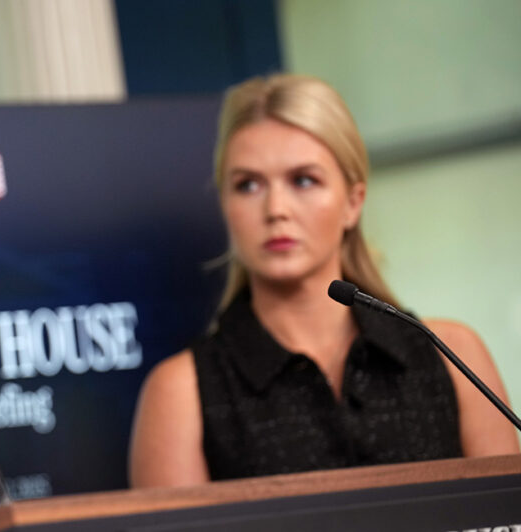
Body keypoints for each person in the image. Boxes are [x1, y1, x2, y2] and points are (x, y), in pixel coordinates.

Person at [129, 73, 519, 488]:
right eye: (248, 185)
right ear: (225, 205)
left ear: (353, 202)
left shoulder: (454, 354)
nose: (276, 209)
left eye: (303, 180)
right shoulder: (180, 392)